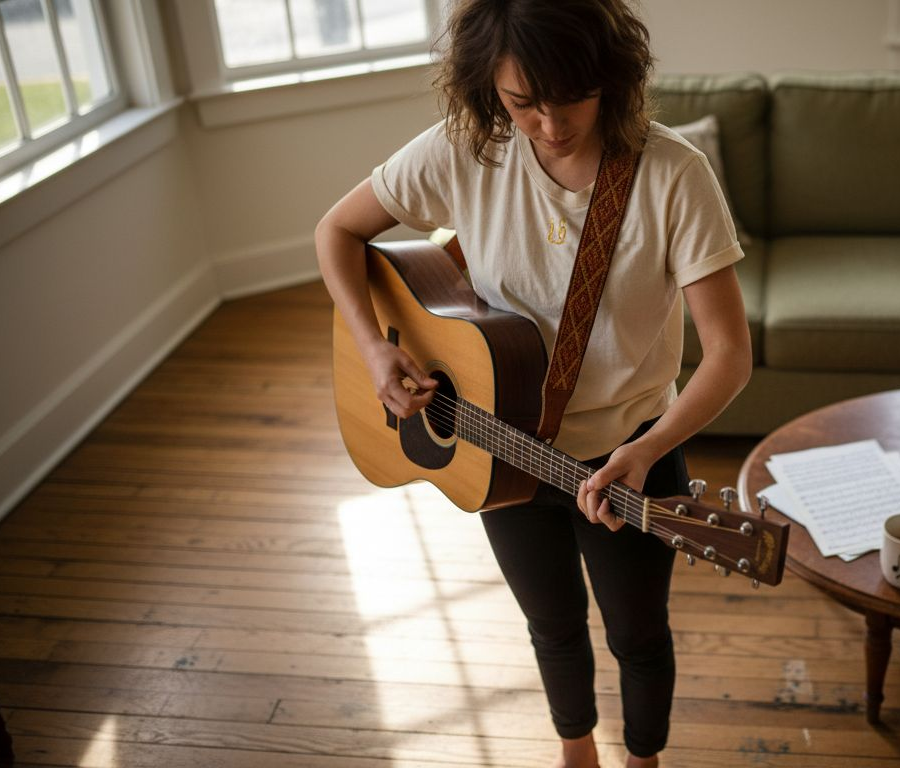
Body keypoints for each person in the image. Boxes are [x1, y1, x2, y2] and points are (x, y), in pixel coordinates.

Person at [314, 1, 751, 765]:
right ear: (490, 91)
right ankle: (575, 750)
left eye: (570, 97)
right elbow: (336, 231)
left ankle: (643, 758)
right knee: (549, 624)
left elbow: (728, 357)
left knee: (638, 636)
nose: (549, 126)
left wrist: (651, 450)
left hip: (630, 456)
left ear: (610, 76)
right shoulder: (466, 150)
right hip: (499, 447)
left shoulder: (674, 176)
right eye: (522, 104)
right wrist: (373, 349)